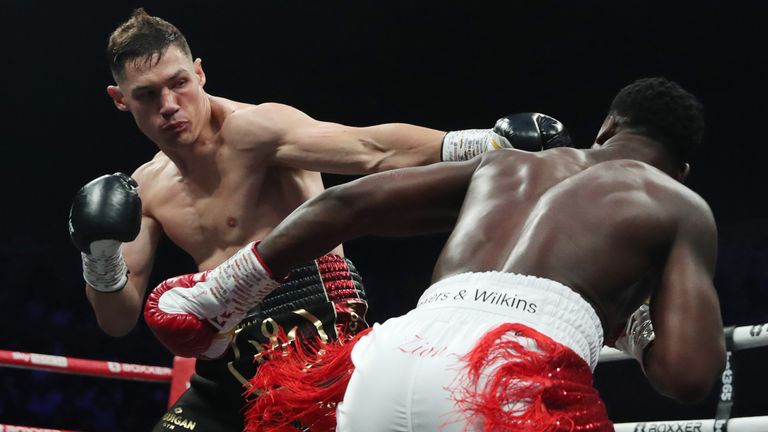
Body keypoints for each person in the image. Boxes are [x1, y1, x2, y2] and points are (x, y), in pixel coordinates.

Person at [67, 8, 572, 431]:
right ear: (120, 100)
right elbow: (117, 319)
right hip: (225, 366)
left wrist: (485, 143)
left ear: (199, 73)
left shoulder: (256, 130)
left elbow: (373, 148)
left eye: (178, 84)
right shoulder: (146, 187)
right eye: (147, 95)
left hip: (314, 344)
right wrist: (99, 254)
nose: (170, 106)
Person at [144, 77, 726, 431]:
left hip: (385, 360)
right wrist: (636, 319)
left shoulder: (510, 165)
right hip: (510, 382)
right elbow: (688, 377)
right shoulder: (678, 204)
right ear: (681, 171)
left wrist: (222, 290)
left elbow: (348, 204)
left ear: (607, 127)